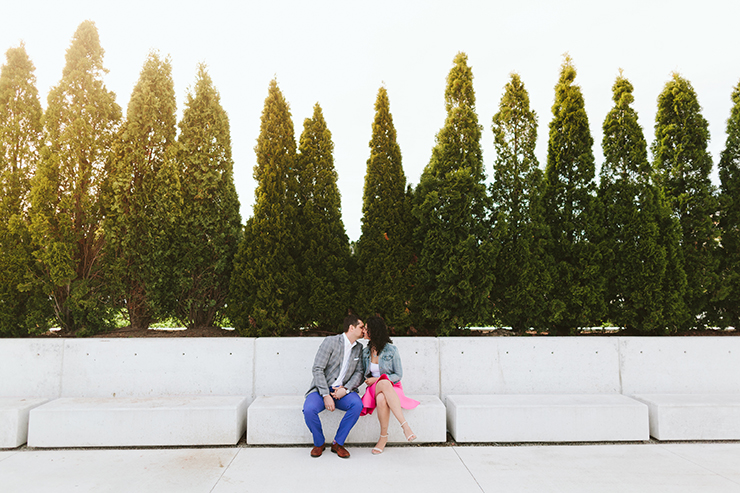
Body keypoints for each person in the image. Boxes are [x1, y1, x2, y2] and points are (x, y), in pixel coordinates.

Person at [302, 314, 365, 459]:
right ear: (351, 327)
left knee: (357, 405)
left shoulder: (359, 348)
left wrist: (346, 389)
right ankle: (319, 443)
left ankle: (338, 443)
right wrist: (325, 394)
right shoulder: (331, 342)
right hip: (321, 389)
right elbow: (317, 368)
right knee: (309, 410)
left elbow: (360, 372)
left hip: (343, 391)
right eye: (361, 327)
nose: (363, 330)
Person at [360, 315, 419, 454]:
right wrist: (373, 380)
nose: (363, 331)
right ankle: (405, 426)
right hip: (373, 390)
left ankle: (383, 437)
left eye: (366, 329)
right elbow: (363, 375)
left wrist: (379, 379)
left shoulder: (391, 350)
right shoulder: (365, 353)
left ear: (373, 331)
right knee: (384, 383)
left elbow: (398, 375)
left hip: (393, 388)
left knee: (382, 398)